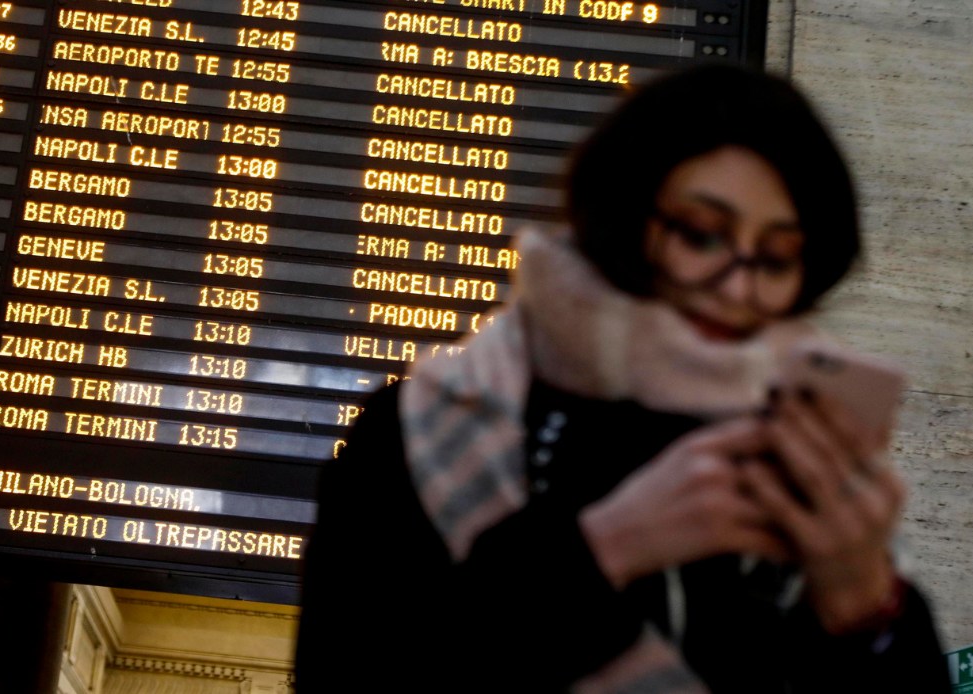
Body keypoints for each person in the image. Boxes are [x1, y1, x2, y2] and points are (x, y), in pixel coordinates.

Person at [293, 64, 950, 692]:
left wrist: (864, 608)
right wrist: (606, 548)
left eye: (775, 258)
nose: (737, 287)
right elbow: (345, 674)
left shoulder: (798, 456)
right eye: (700, 236)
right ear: (622, 216)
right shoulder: (419, 428)